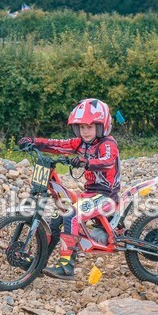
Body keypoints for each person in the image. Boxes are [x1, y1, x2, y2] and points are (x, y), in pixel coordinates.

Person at [18, 98, 120, 280]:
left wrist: (86, 161)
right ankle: (40, 262)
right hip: (89, 194)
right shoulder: (81, 144)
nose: (85, 131)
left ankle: (67, 267)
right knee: (57, 217)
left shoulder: (108, 144)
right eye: (81, 127)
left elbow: (108, 161)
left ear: (101, 126)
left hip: (106, 196)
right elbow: (58, 144)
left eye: (89, 127)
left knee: (71, 214)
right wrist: (33, 142)